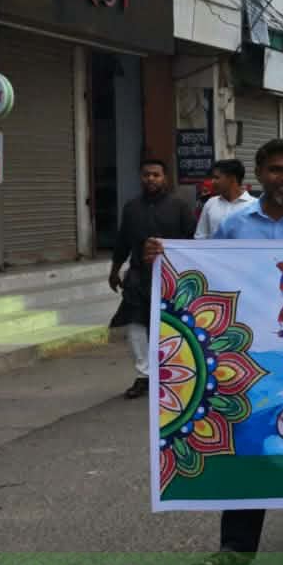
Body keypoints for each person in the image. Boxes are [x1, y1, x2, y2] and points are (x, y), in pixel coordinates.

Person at [148, 139, 283, 565]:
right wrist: (162, 258)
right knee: (249, 440)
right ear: (259, 174)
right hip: (251, 350)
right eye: (278, 170)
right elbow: (203, 269)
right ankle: (235, 547)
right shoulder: (236, 224)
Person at [110, 158, 196, 400]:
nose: (151, 179)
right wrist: (114, 269)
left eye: (156, 175)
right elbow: (122, 241)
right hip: (138, 275)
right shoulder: (131, 207)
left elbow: (193, 240)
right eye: (146, 174)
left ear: (165, 178)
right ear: (140, 177)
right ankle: (144, 376)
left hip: (172, 276)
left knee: (171, 324)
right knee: (136, 324)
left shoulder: (179, 206)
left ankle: (174, 374)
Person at [194, 159, 255, 240]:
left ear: (232, 179)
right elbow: (200, 237)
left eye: (217, 178)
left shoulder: (254, 205)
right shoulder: (210, 203)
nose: (212, 182)